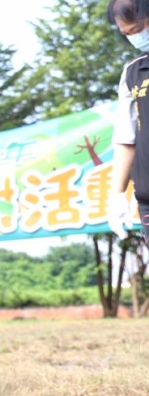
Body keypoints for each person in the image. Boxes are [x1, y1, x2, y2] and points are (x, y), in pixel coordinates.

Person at [108, 0, 149, 242]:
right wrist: (116, 195)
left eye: (138, 29)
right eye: (127, 34)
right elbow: (126, 138)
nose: (135, 38)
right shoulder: (133, 72)